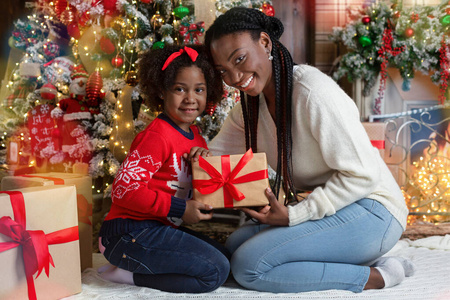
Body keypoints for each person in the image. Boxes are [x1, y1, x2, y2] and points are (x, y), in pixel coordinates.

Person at [204, 7, 415, 293]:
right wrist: (192, 157)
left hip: (374, 211)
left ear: (265, 43)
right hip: (335, 211)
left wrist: (295, 216)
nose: (235, 77)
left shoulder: (312, 93)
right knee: (234, 245)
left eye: (239, 59)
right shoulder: (250, 108)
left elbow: (362, 175)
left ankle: (380, 275)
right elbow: (213, 154)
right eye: (223, 71)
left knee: (248, 267)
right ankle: (353, 258)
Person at [97, 45, 230, 293]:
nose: (190, 98)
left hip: (159, 228)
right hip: (126, 235)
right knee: (214, 272)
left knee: (226, 259)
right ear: (161, 91)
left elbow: (188, 187)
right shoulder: (157, 136)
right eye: (180, 89)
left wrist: (203, 167)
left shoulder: (196, 137)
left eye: (199, 90)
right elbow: (124, 190)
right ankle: (129, 275)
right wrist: (180, 208)